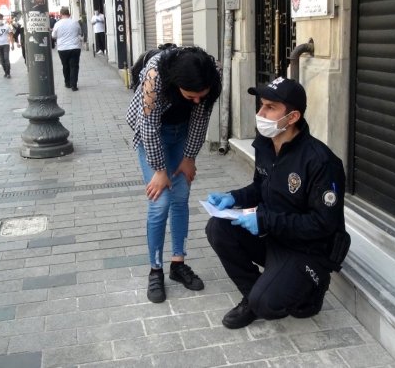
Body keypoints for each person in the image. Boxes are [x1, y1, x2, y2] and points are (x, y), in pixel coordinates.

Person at [205, 77, 350, 329]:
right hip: (274, 235)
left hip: (307, 249)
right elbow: (262, 186)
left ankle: (312, 287)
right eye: (261, 105)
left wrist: (265, 220)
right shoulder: (266, 144)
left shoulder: (321, 161)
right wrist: (233, 197)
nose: (260, 113)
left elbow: (322, 224)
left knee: (268, 304)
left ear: (292, 117)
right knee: (218, 227)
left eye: (270, 107)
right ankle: (252, 296)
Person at [126, 46, 222, 303]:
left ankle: (178, 264)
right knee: (160, 202)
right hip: (152, 133)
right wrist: (160, 170)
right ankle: (155, 269)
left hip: (183, 134)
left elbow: (200, 120)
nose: (197, 101)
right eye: (191, 96)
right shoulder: (155, 75)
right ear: (176, 83)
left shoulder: (211, 76)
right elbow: (148, 126)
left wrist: (189, 158)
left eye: (201, 96)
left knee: (180, 197)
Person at [52, 7, 82, 91]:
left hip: (62, 48)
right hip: (75, 47)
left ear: (61, 14)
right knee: (74, 66)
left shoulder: (57, 24)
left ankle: (67, 83)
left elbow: (53, 36)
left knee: (65, 66)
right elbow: (79, 32)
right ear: (69, 14)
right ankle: (74, 85)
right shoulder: (75, 22)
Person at [0, 13, 14, 78]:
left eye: (0, 18)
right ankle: (5, 72)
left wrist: (12, 44)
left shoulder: (7, 26)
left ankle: (8, 73)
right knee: (2, 60)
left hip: (6, 44)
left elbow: (11, 35)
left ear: (2, 18)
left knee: (6, 58)